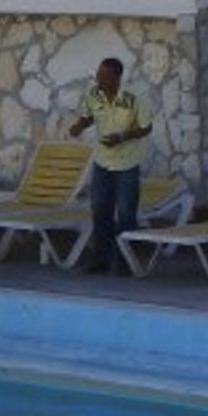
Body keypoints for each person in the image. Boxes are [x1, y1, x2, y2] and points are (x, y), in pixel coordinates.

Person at [64, 55, 147, 275]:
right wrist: (79, 126)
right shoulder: (93, 95)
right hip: (103, 161)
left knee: (126, 212)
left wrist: (123, 137)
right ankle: (101, 258)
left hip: (127, 163)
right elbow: (89, 116)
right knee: (100, 209)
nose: (99, 80)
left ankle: (125, 260)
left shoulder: (133, 97)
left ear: (117, 78)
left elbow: (145, 128)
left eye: (105, 76)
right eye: (98, 75)